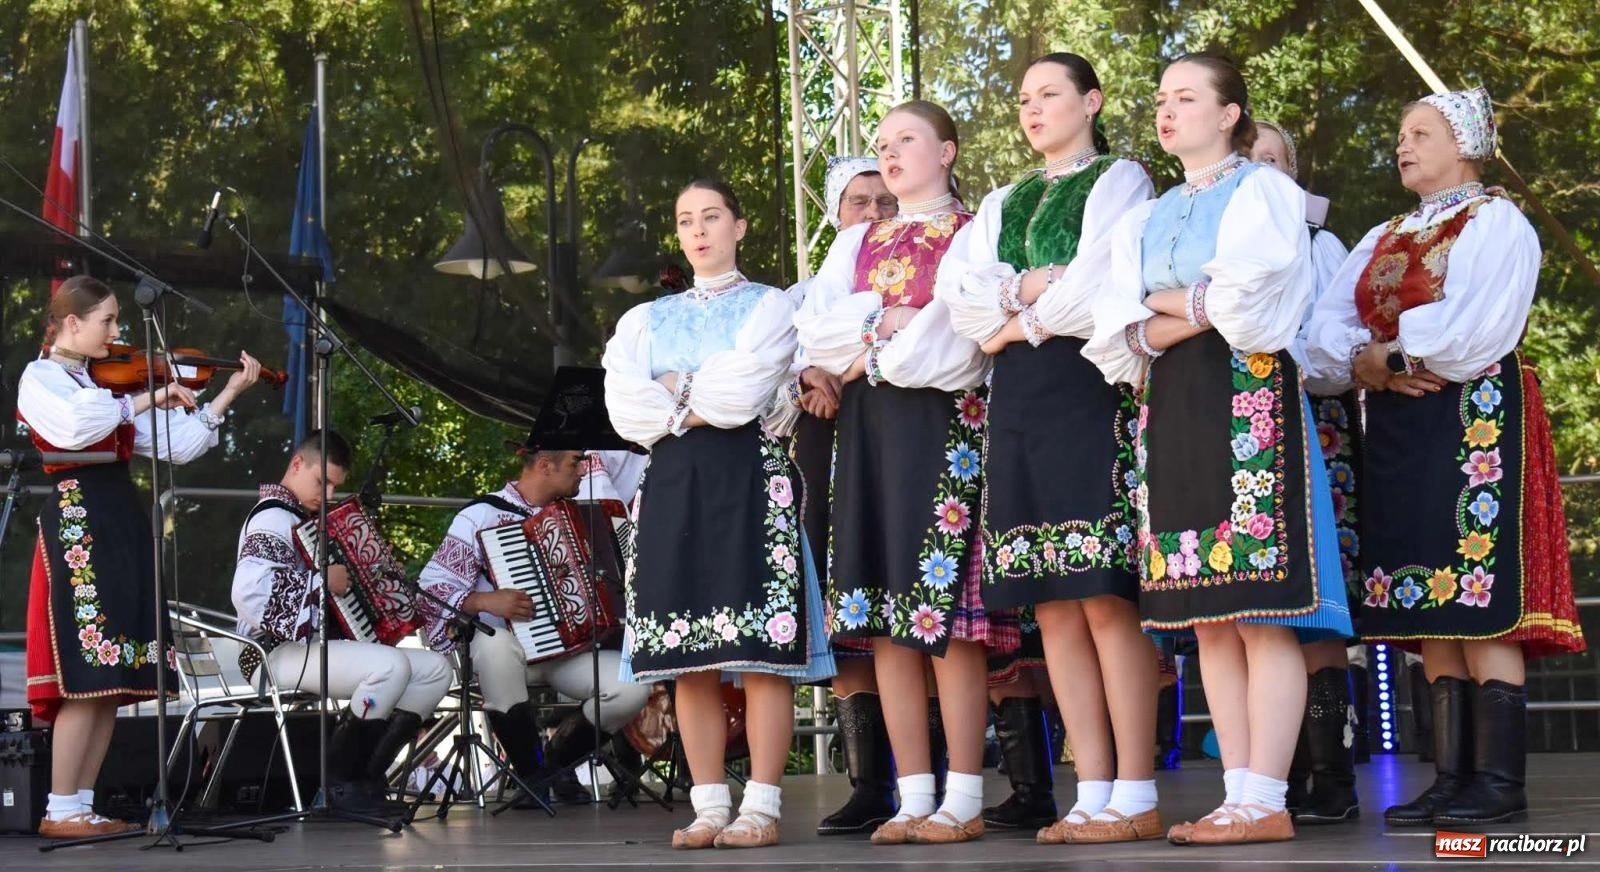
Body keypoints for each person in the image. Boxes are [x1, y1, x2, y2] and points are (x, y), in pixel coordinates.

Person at [1085, 52, 1353, 846]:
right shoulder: (1146, 216)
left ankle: (1267, 794)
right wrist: (1185, 307)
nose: (1167, 112)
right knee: (1208, 613)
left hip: (1248, 398)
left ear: (1230, 113)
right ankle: (1238, 793)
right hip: (1170, 407)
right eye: (1162, 99)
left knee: (1260, 606)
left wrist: (1158, 307)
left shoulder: (1265, 190)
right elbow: (1110, 330)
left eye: (1187, 98)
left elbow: (1255, 311)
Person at [1304, 85, 1584, 827]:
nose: (1403, 144)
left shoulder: (1495, 221)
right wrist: (1369, 362)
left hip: (1475, 414)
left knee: (1478, 593)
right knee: (1430, 596)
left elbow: (1475, 330)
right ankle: (1452, 776)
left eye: (1420, 132)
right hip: (1401, 424)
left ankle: (1498, 781)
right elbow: (1323, 332)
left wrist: (1384, 354)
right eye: (1401, 133)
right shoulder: (1383, 234)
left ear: (1463, 143)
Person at [938, 51, 1160, 843]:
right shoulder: (1002, 199)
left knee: (1103, 594)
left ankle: (1136, 789)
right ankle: (1091, 788)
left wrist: (1016, 318)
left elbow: (1098, 287)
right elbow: (958, 300)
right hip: (1019, 404)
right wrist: (1023, 294)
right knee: (1052, 605)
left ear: (1092, 100)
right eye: (1024, 99)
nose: (1033, 110)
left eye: (1050, 95)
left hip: (1083, 388)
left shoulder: (1122, 181)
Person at [603, 179, 836, 849]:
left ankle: (760, 807)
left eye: (711, 217)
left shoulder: (771, 307)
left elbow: (742, 398)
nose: (699, 230)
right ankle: (708, 807)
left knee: (760, 651)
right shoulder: (643, 319)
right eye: (686, 220)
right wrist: (696, 395)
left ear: (739, 226)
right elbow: (625, 409)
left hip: (750, 484)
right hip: (672, 487)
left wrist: (672, 391)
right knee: (686, 654)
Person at [796, 100, 1005, 846]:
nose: (889, 153)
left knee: (944, 619)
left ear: (946, 151)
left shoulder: (975, 230)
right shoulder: (855, 240)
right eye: (881, 144)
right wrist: (883, 326)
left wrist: (871, 340)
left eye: (906, 140)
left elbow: (956, 344)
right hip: (867, 433)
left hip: (943, 429)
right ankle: (913, 794)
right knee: (885, 618)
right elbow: (814, 328)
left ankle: (964, 796)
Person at [19, 276, 263, 838]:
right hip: (78, 519)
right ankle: (59, 808)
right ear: (71, 323)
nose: (116, 332)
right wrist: (148, 395)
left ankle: (81, 802)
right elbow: (77, 426)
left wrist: (225, 395)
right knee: (87, 671)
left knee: (114, 676)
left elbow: (173, 444)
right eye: (106, 321)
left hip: (122, 521)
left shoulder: (103, 383)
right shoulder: (43, 377)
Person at [769, 155, 904, 835]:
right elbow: (773, 376)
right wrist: (805, 378)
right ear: (835, 212)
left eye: (885, 199)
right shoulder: (802, 295)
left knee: (911, 599)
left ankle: (926, 775)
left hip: (906, 439)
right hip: (827, 449)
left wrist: (840, 364)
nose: (874, 212)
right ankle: (869, 785)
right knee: (849, 606)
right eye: (859, 202)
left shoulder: (927, 265)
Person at [415, 441, 652, 804]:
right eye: (575, 462)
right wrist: (485, 600)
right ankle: (528, 772)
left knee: (631, 686)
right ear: (545, 465)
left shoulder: (581, 518)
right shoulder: (482, 514)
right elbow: (430, 588)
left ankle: (552, 766)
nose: (584, 470)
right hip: (503, 654)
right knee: (497, 645)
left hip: (562, 651)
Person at [232, 430, 452, 817]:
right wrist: (321, 582)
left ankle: (366, 776)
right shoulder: (272, 518)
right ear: (297, 464)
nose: (329, 495)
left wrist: (377, 581)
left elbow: (340, 602)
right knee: (390, 666)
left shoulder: (311, 520)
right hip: (270, 653)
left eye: (335, 486)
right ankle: (337, 784)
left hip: (310, 649)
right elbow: (249, 593)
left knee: (435, 670)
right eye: (324, 482)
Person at [1254, 118, 1363, 826]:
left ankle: (1331, 774)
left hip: (1308, 431)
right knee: (1255, 605)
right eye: (1249, 162)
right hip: (1235, 434)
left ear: (1293, 173)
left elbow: (1333, 346)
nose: (1261, 173)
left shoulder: (1320, 246)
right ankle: (1276, 771)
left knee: (1315, 607)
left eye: (1272, 161)